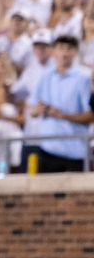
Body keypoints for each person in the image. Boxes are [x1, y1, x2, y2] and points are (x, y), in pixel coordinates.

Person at [25, 34, 92, 173]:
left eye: (69, 48)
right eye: (61, 48)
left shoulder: (83, 78)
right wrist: (36, 111)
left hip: (75, 152)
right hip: (47, 149)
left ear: (75, 52)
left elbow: (91, 116)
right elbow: (32, 108)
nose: (65, 53)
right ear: (54, 51)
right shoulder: (45, 77)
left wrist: (62, 115)